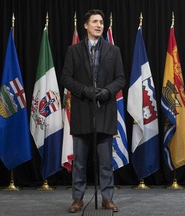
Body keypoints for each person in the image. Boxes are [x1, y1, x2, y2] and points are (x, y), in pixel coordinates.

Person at [61, 9, 125, 213]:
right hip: (81, 112)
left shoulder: (113, 51)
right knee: (79, 162)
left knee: (106, 162)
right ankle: (77, 199)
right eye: (95, 22)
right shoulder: (74, 50)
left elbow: (121, 79)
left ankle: (107, 198)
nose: (99, 25)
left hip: (105, 111)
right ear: (86, 26)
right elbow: (66, 78)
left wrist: (107, 91)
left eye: (101, 22)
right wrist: (85, 91)